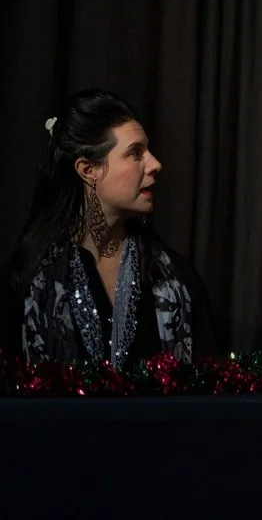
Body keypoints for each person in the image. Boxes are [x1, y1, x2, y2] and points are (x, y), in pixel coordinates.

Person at [1, 89, 218, 369]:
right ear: (88, 170)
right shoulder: (29, 281)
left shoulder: (175, 278)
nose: (155, 164)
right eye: (135, 153)